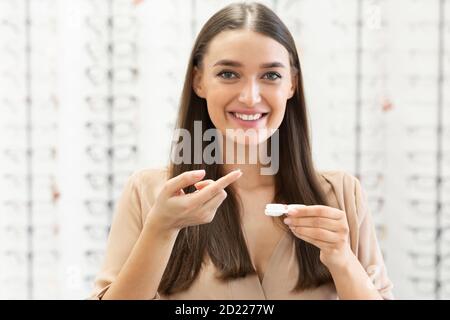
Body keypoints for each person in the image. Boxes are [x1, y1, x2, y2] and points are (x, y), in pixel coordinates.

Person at [91, 2, 393, 300]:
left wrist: (342, 259)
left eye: (271, 75)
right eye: (228, 74)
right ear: (199, 81)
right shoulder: (149, 193)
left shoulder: (340, 196)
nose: (250, 97)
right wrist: (160, 231)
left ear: (292, 85)